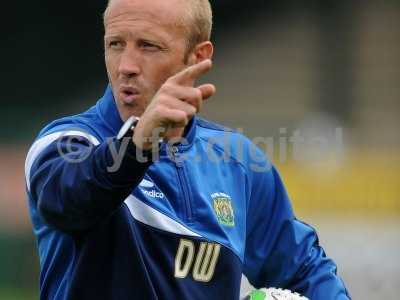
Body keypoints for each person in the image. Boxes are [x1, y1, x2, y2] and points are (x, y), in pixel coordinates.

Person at [24, 0, 351, 299]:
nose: (126, 65)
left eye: (148, 46)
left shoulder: (238, 161)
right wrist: (139, 145)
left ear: (199, 57)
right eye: (115, 44)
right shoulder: (67, 142)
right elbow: (70, 200)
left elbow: (304, 270)